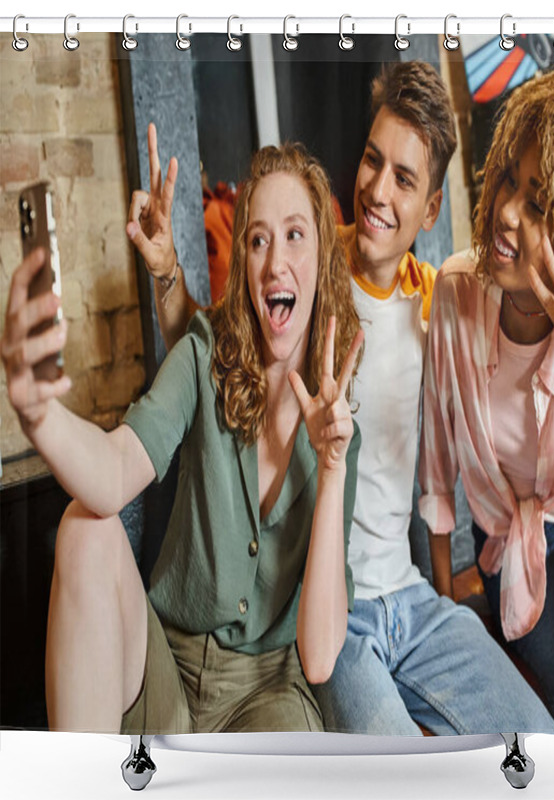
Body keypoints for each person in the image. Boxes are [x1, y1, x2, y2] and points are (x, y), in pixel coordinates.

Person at [128, 61, 554, 736]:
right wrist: (167, 277)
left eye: (405, 178)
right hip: (329, 612)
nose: (378, 189)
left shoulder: (435, 306)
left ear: (431, 209)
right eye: (371, 160)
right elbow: (215, 349)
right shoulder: (300, 276)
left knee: (545, 745)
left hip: (413, 601)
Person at [1, 143, 364, 734]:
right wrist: (39, 413)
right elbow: (115, 471)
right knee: (83, 530)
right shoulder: (202, 355)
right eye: (258, 239)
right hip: (162, 670)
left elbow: (320, 658)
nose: (275, 263)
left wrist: (331, 469)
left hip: (267, 698)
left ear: (323, 258)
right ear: (244, 266)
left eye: (296, 235)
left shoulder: (341, 433)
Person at [419, 69, 554, 736]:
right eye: (509, 180)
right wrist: (441, 611)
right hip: (501, 547)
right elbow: (436, 474)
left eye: (540, 205)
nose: (508, 211)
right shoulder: (456, 296)